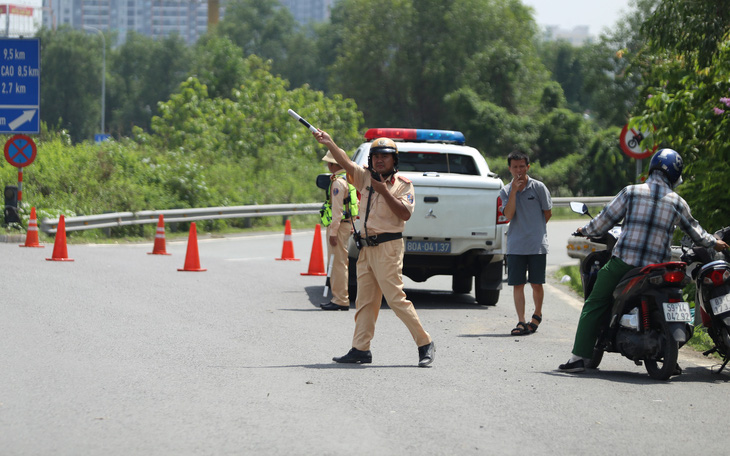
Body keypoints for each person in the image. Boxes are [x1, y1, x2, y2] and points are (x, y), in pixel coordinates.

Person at [559, 148, 729, 373]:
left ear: (652, 167)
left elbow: (603, 222)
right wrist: (715, 243)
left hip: (625, 262)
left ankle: (578, 358)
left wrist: (585, 229)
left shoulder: (631, 192)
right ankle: (670, 354)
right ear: (674, 175)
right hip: (658, 267)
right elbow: (698, 233)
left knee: (595, 302)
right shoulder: (678, 202)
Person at [312, 129, 435, 367]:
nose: (379, 159)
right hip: (366, 249)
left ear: (394, 160)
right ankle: (361, 349)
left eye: (385, 156)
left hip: (388, 247)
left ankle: (425, 343)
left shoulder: (403, 185)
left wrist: (383, 191)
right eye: (375, 156)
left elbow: (404, 214)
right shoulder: (364, 178)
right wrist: (330, 142)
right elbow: (345, 163)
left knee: (396, 299)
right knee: (365, 301)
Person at [499, 150, 552, 336]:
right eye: (515, 167)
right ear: (510, 169)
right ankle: (521, 321)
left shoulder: (539, 187)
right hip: (516, 245)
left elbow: (547, 212)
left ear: (528, 167)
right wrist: (514, 191)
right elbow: (509, 215)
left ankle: (537, 314)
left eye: (522, 166)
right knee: (518, 284)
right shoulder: (505, 190)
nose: (519, 170)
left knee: (536, 283)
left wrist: (535, 230)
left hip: (537, 245)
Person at [319, 151, 358, 311]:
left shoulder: (337, 183)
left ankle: (340, 299)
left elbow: (337, 211)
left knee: (337, 263)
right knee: (341, 262)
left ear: (334, 165)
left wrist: (333, 232)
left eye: (329, 163)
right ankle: (340, 297)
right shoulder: (348, 180)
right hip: (346, 225)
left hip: (339, 226)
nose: (328, 166)